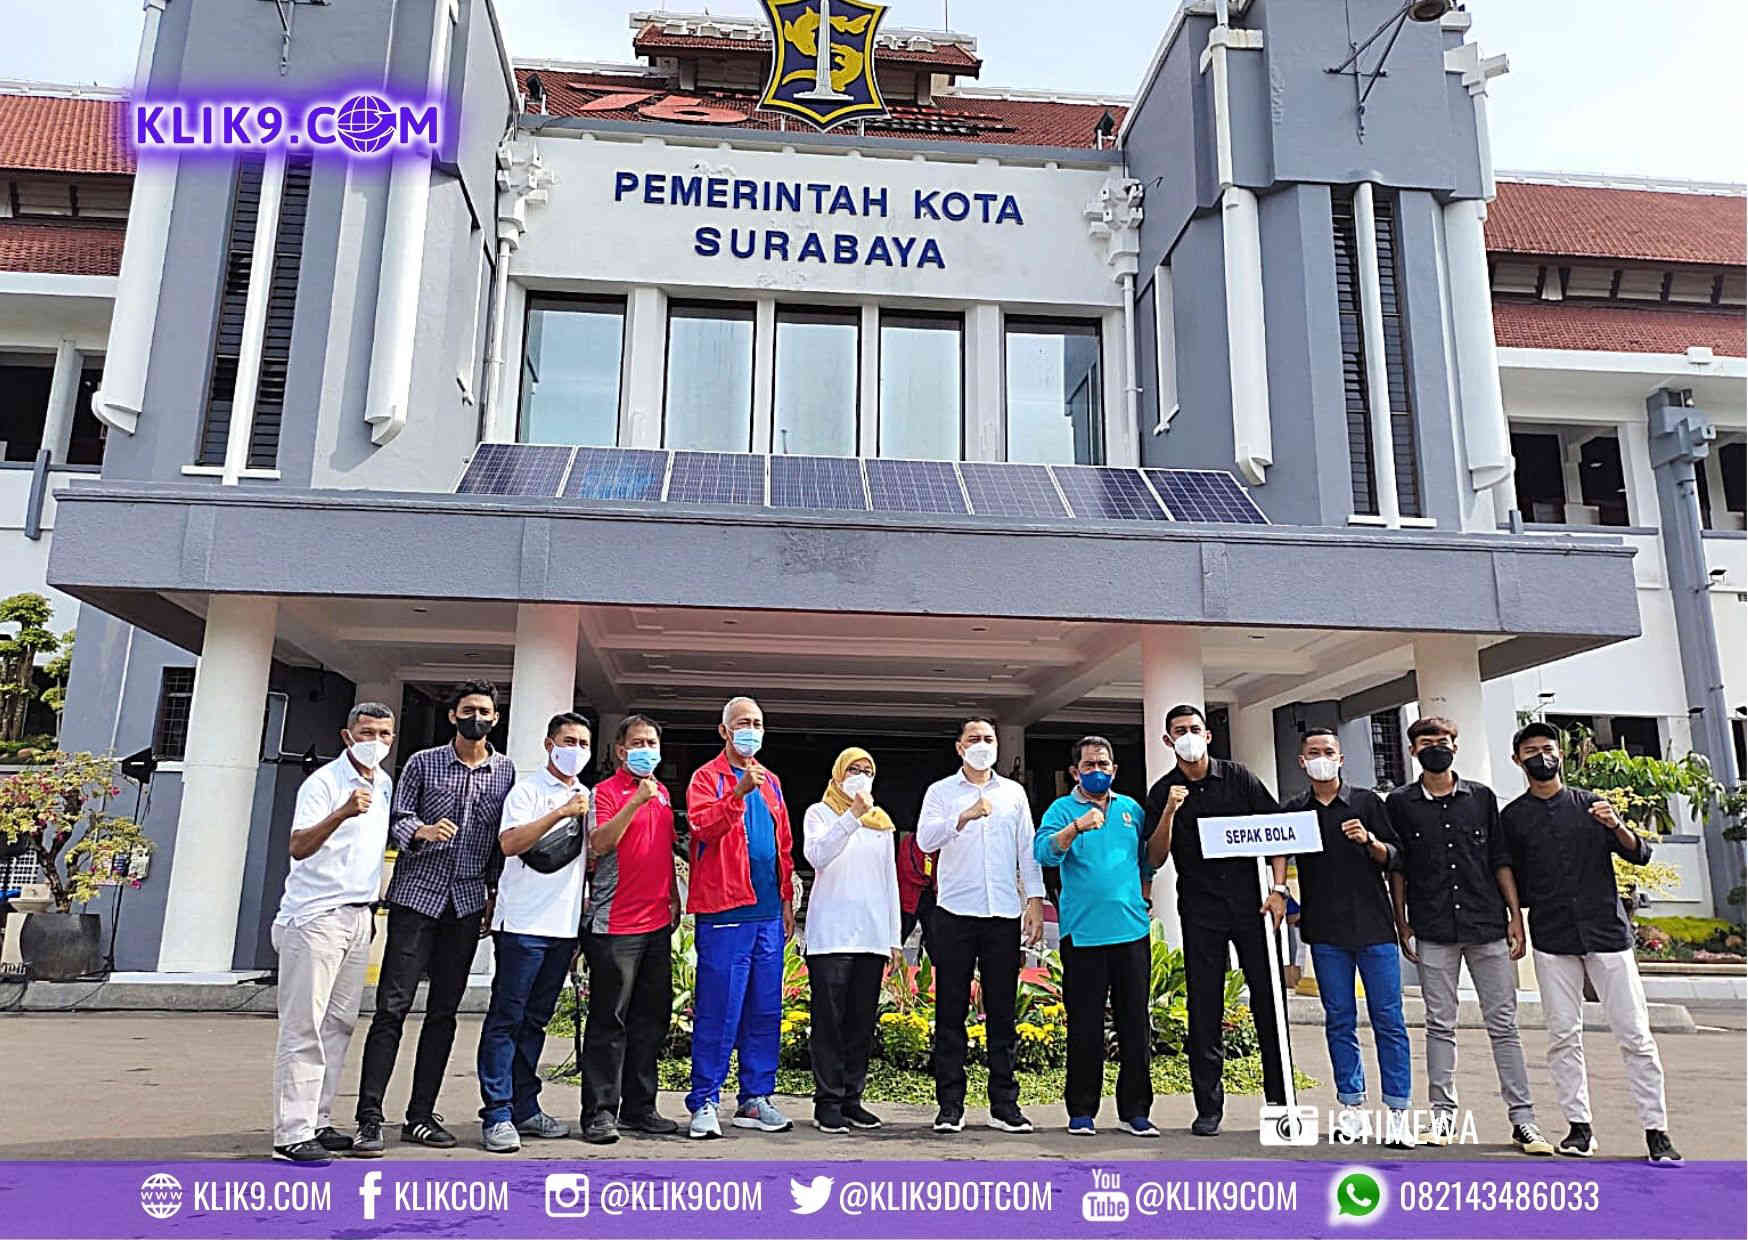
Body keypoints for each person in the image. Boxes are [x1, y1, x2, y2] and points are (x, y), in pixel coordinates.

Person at [1502, 721, 1682, 1165]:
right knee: (1563, 1035)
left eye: (1547, 748)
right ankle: (1578, 1127)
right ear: (1517, 760)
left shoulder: (1591, 804)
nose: (1541, 757)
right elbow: (1507, 872)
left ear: (1560, 754)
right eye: (1531, 751)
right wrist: (1515, 920)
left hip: (1607, 933)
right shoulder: (1513, 818)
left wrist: (1615, 823)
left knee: (1635, 1033)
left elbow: (1639, 853)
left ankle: (1656, 1131)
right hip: (1552, 936)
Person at [354, 680, 516, 1155]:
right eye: (468, 710)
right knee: (392, 1008)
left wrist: (493, 894)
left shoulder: (505, 771)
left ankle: (421, 1116)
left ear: (495, 719)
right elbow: (396, 817)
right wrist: (421, 831)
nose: (476, 718)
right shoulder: (423, 763)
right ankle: (369, 1118)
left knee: (444, 1013)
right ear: (452, 716)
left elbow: (499, 842)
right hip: (416, 898)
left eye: (484, 711)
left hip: (465, 903)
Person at [1386, 716, 1553, 1156]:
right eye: (1427, 741)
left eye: (1443, 740)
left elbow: (1500, 859)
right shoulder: (1400, 803)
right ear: (1412, 751)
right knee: (1439, 1024)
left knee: (1504, 1025)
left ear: (1456, 747)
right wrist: (1401, 921)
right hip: (1433, 926)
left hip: (1486, 924)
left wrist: (1515, 916)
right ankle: (1442, 1115)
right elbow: (1398, 867)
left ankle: (1524, 1120)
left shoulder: (1480, 797)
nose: (1436, 747)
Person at [1143, 703, 1287, 1137]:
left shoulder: (1239, 778)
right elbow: (1154, 858)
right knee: (1204, 1006)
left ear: (1207, 735)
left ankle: (1280, 1103)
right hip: (1200, 909)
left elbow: (1278, 830)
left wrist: (1279, 889)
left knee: (1269, 1001)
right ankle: (1208, 1107)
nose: (1187, 736)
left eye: (1194, 728)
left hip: (1252, 907)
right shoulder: (1162, 791)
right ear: (1168, 741)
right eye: (1179, 731)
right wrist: (1169, 811)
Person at [270, 702, 396, 1163]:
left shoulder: (383, 784)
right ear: (347, 736)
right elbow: (298, 845)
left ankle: (318, 1120)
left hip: (359, 916)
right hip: (316, 917)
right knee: (304, 1024)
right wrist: (341, 812)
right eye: (367, 732)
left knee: (338, 1024)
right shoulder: (323, 783)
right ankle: (291, 1132)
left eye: (384, 734)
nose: (375, 741)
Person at [1280, 728, 1414, 1148]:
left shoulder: (1367, 803)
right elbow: (1274, 855)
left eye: (1329, 752)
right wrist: (1285, 897)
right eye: (1313, 752)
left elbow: (1396, 856)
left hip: (1375, 929)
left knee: (1389, 1019)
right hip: (1325, 933)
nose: (1321, 758)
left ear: (1340, 759)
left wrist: (1369, 840)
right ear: (1302, 761)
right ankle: (1351, 1105)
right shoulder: (1295, 811)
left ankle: (1398, 1110)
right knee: (1339, 1020)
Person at [917, 718, 1046, 1136]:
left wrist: (1035, 900)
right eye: (973, 739)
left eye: (989, 739)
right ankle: (950, 1106)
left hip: (1003, 913)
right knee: (950, 1011)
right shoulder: (941, 792)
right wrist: (964, 816)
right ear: (959, 747)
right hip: (955, 912)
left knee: (1003, 1012)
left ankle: (1004, 1105)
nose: (982, 745)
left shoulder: (1013, 793)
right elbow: (924, 841)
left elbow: (1027, 849)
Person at [475, 712, 591, 1153]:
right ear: (549, 744)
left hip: (562, 929)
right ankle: (497, 1112)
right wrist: (560, 813)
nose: (575, 750)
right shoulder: (526, 791)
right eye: (568, 741)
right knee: (507, 1019)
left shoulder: (586, 794)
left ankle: (525, 1106)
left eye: (583, 743)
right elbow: (509, 844)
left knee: (536, 1022)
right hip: (522, 926)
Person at [683, 696, 796, 1140]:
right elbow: (702, 826)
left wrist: (786, 901)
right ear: (724, 731)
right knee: (719, 1009)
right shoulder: (706, 778)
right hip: (726, 912)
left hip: (767, 914)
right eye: (743, 722)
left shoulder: (772, 781)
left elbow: (783, 846)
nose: (752, 730)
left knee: (765, 1010)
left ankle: (755, 1098)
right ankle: (705, 1100)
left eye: (758, 723)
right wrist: (737, 793)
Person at [1034, 736, 1158, 1139]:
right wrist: (1075, 827)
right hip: (1083, 934)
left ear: (1114, 770)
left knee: (1134, 1023)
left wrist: (1144, 896)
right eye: (1089, 765)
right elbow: (1044, 853)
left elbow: (1146, 861)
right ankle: (1082, 1110)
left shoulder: (1131, 809)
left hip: (1131, 931)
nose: (1097, 771)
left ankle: (1135, 1111)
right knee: (1085, 1025)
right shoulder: (1061, 809)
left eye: (1103, 764)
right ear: (1075, 772)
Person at [579, 715, 681, 1144]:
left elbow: (663, 850)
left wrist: (674, 896)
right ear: (620, 750)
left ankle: (640, 1108)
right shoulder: (604, 792)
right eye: (637, 743)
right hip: (614, 925)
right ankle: (599, 1112)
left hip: (656, 923)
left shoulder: (663, 793)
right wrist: (635, 801)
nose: (646, 750)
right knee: (609, 1021)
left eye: (652, 743)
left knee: (650, 1021)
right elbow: (600, 843)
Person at [803, 747, 903, 1134]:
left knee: (861, 1024)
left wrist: (893, 937)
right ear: (838, 774)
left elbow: (890, 882)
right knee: (829, 1023)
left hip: (871, 936)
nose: (861, 776)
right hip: (831, 937)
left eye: (867, 770)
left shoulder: (882, 823)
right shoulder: (820, 813)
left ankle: (852, 1099)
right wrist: (851, 816)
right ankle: (827, 1102)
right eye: (853, 769)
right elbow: (817, 856)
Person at [896, 829, 937, 962]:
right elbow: (905, 866)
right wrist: (925, 880)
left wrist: (935, 883)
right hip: (910, 896)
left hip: (929, 896)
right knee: (902, 933)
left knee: (932, 937)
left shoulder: (935, 841)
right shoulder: (909, 841)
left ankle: (925, 964)